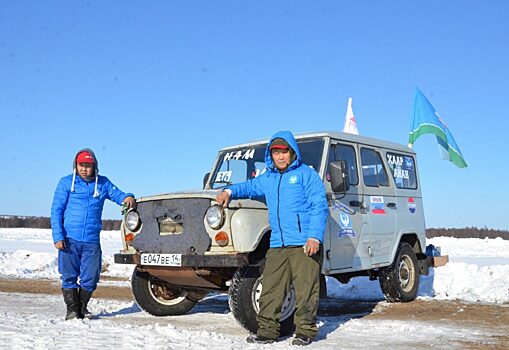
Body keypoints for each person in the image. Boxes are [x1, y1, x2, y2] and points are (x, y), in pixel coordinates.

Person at [216, 131, 328, 346]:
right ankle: (267, 331)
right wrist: (228, 192)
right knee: (271, 289)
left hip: (304, 242)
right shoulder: (268, 178)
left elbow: (319, 207)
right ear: (271, 155)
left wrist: (314, 237)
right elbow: (248, 187)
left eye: (284, 152)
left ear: (292, 152)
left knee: (306, 290)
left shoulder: (306, 175)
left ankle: (305, 331)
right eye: (275, 153)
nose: (280, 157)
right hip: (278, 243)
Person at [51, 148, 135, 320]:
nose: (84, 169)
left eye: (88, 166)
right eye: (81, 165)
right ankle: (72, 311)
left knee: (90, 277)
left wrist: (129, 197)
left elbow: (119, 196)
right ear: (75, 166)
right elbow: (56, 210)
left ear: (95, 167)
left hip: (91, 240)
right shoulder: (66, 183)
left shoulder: (103, 183)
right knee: (69, 276)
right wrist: (58, 236)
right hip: (69, 239)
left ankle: (82, 307)